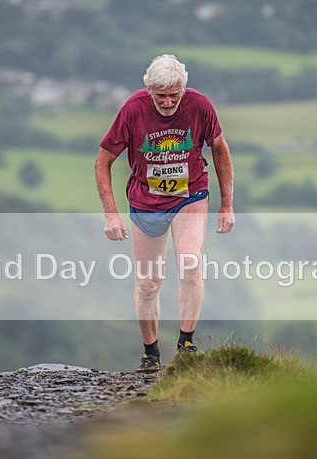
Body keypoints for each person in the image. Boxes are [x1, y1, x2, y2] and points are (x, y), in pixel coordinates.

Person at [95, 54, 235, 373]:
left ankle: (186, 345)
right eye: (161, 96)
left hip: (190, 194)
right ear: (150, 91)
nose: (168, 102)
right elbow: (102, 162)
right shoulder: (133, 109)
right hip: (146, 200)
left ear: (182, 89)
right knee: (148, 282)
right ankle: (151, 353)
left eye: (174, 95)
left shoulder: (200, 106)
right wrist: (111, 214)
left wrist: (226, 205)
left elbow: (219, 149)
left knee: (190, 263)